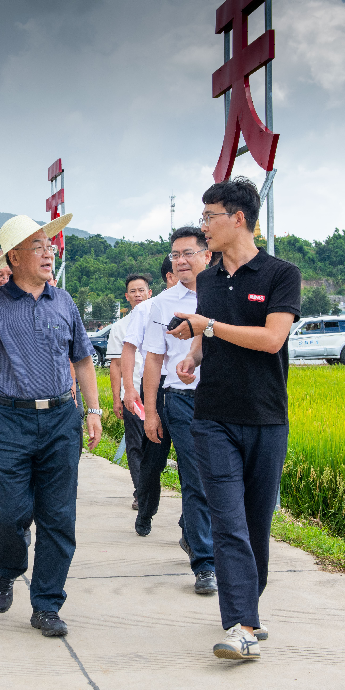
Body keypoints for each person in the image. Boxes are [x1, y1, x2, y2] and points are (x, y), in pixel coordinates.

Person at [0, 214, 103, 639]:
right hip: (9, 419)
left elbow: (83, 358)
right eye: (38, 246)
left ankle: (47, 604)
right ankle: (8, 567)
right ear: (13, 259)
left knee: (58, 515)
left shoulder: (64, 301)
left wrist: (93, 409)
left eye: (49, 246)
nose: (49, 252)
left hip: (60, 419)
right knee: (8, 511)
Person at [171, 177, 301, 660]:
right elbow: (208, 335)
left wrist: (208, 329)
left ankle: (250, 609)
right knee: (227, 521)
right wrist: (195, 354)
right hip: (213, 417)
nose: (204, 227)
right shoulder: (207, 280)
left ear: (238, 218)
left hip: (266, 417)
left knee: (255, 523)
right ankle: (241, 625)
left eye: (209, 217)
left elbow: (271, 340)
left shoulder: (280, 274)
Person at [140, 226, 216, 596]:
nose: (181, 261)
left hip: (225, 397)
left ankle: (194, 530)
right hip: (183, 400)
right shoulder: (163, 304)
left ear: (208, 254)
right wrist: (151, 412)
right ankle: (205, 563)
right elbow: (153, 360)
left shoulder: (225, 292)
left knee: (222, 479)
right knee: (197, 477)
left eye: (188, 253)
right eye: (175, 255)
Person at [119, 256, 179, 534]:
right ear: (169, 276)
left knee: (195, 460)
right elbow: (129, 349)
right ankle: (146, 511)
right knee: (153, 457)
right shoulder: (148, 309)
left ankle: (191, 526)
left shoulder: (204, 300)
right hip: (156, 385)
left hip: (191, 388)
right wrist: (130, 389)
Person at [105, 274, 153, 510]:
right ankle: (141, 493)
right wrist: (118, 398)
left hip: (158, 392)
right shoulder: (119, 327)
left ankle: (150, 488)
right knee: (135, 445)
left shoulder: (160, 319)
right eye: (132, 291)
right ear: (127, 297)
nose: (137, 295)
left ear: (149, 293)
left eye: (141, 290)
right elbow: (115, 365)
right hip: (132, 394)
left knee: (155, 446)